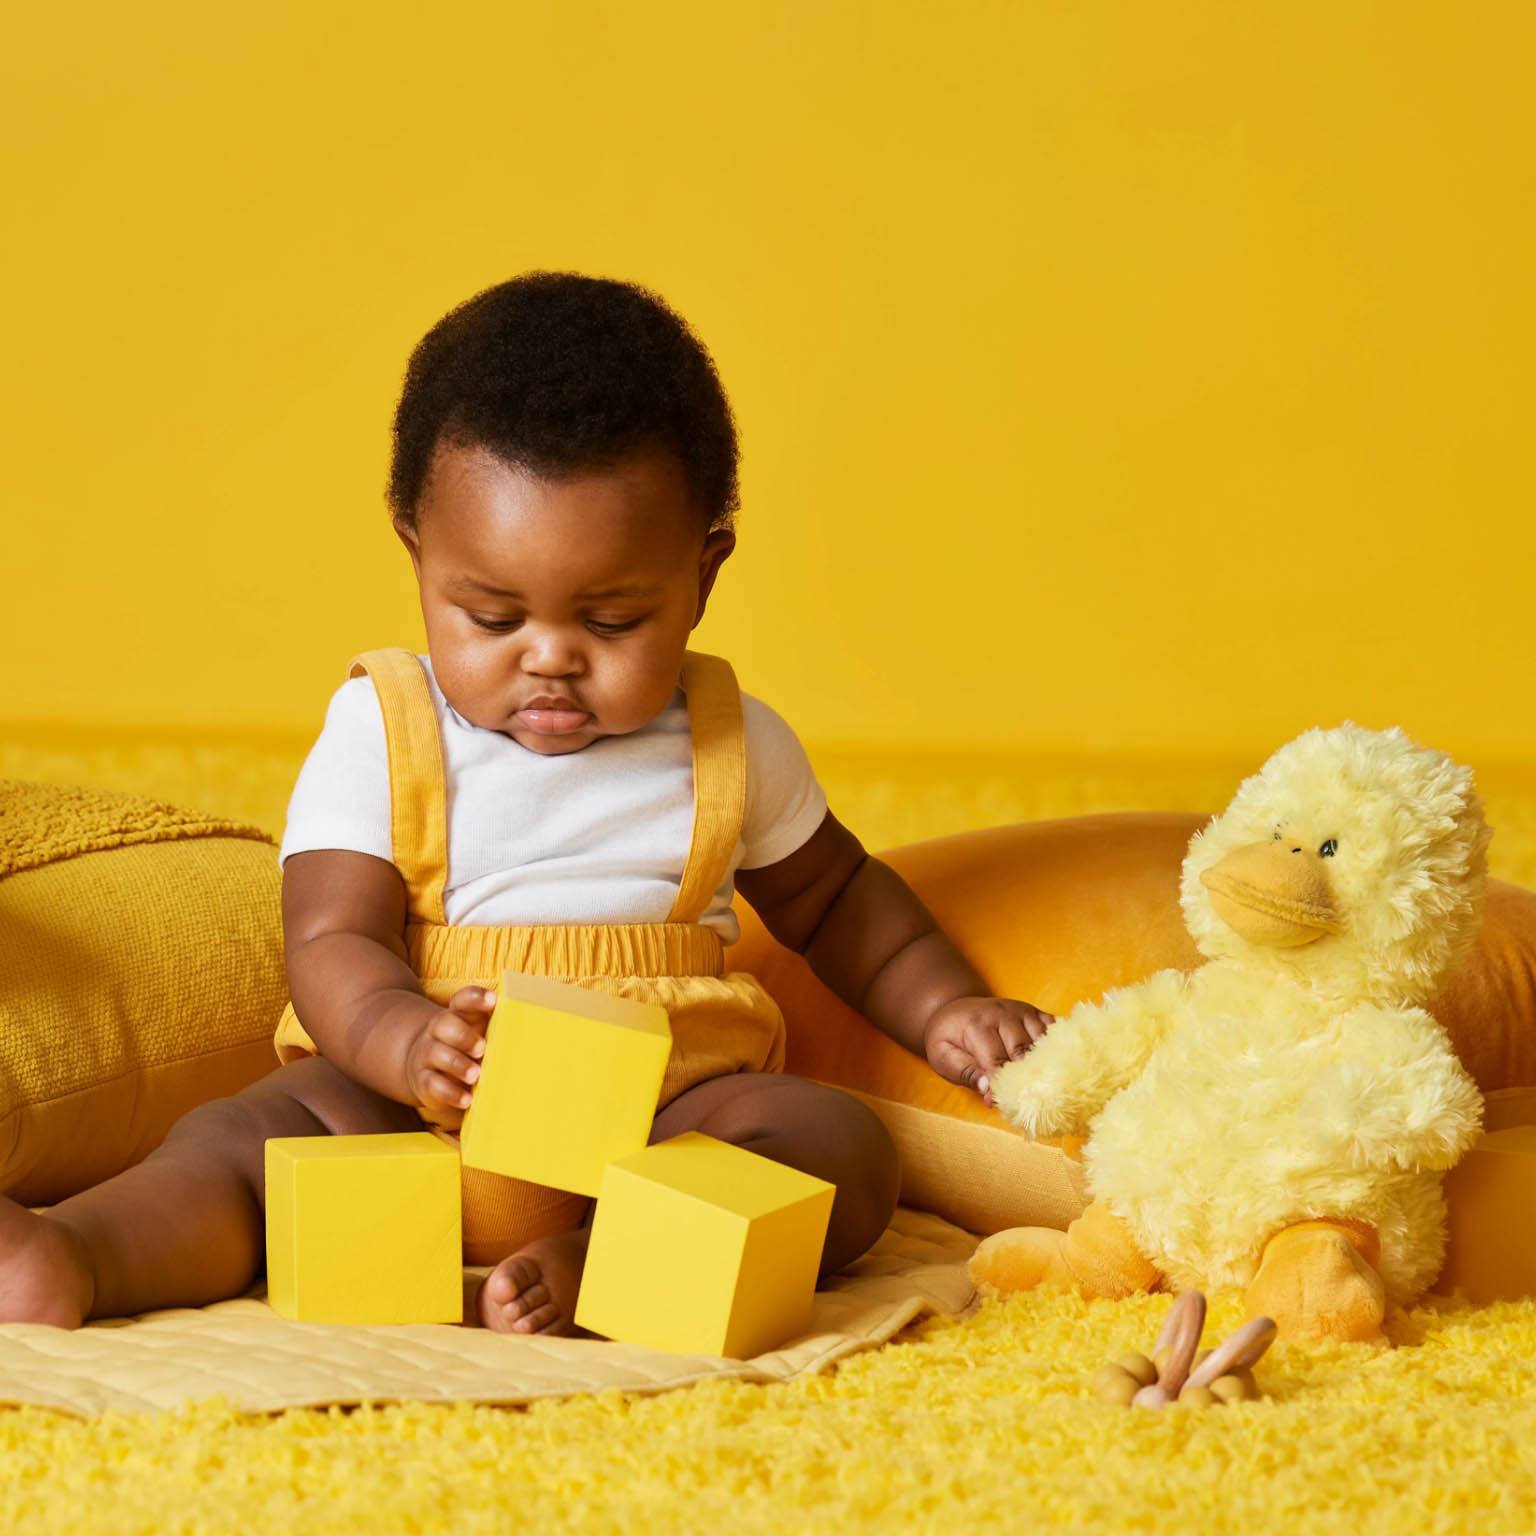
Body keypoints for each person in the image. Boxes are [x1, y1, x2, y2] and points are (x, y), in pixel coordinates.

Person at [0, 273, 1053, 1335]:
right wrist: (404, 1039)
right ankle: (80, 1258)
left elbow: (840, 904)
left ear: (704, 572)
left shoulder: (734, 741)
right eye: (492, 615)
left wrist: (947, 1007)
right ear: (420, 556)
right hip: (414, 1101)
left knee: (835, 1149)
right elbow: (328, 936)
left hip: (659, 1116)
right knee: (241, 1142)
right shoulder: (384, 730)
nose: (550, 658)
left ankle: (602, 1262)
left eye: (613, 619)